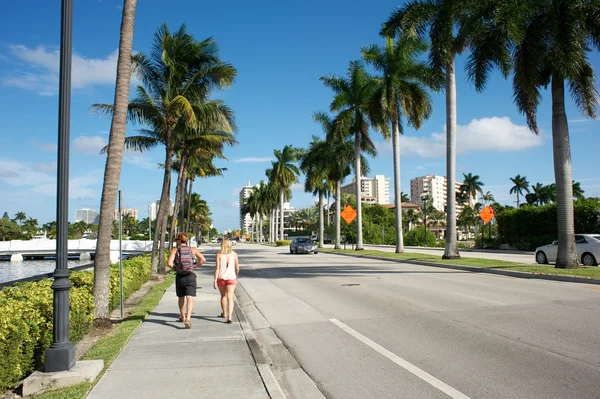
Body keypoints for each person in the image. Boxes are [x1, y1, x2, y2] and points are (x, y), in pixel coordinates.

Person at [167, 232, 206, 328]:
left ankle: (182, 316)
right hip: (190, 276)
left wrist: (176, 269)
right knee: (190, 297)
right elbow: (203, 260)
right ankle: (188, 318)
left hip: (180, 276)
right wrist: (194, 267)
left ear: (179, 240)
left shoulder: (175, 250)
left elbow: (169, 263)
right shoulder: (192, 249)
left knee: (181, 297)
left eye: (177, 239)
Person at [214, 238, 239, 324]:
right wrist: (235, 274)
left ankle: (224, 313)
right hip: (231, 278)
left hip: (221, 278)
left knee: (223, 296)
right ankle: (229, 317)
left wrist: (214, 280)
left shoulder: (218, 254)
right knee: (230, 297)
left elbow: (217, 268)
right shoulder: (234, 254)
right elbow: (237, 268)